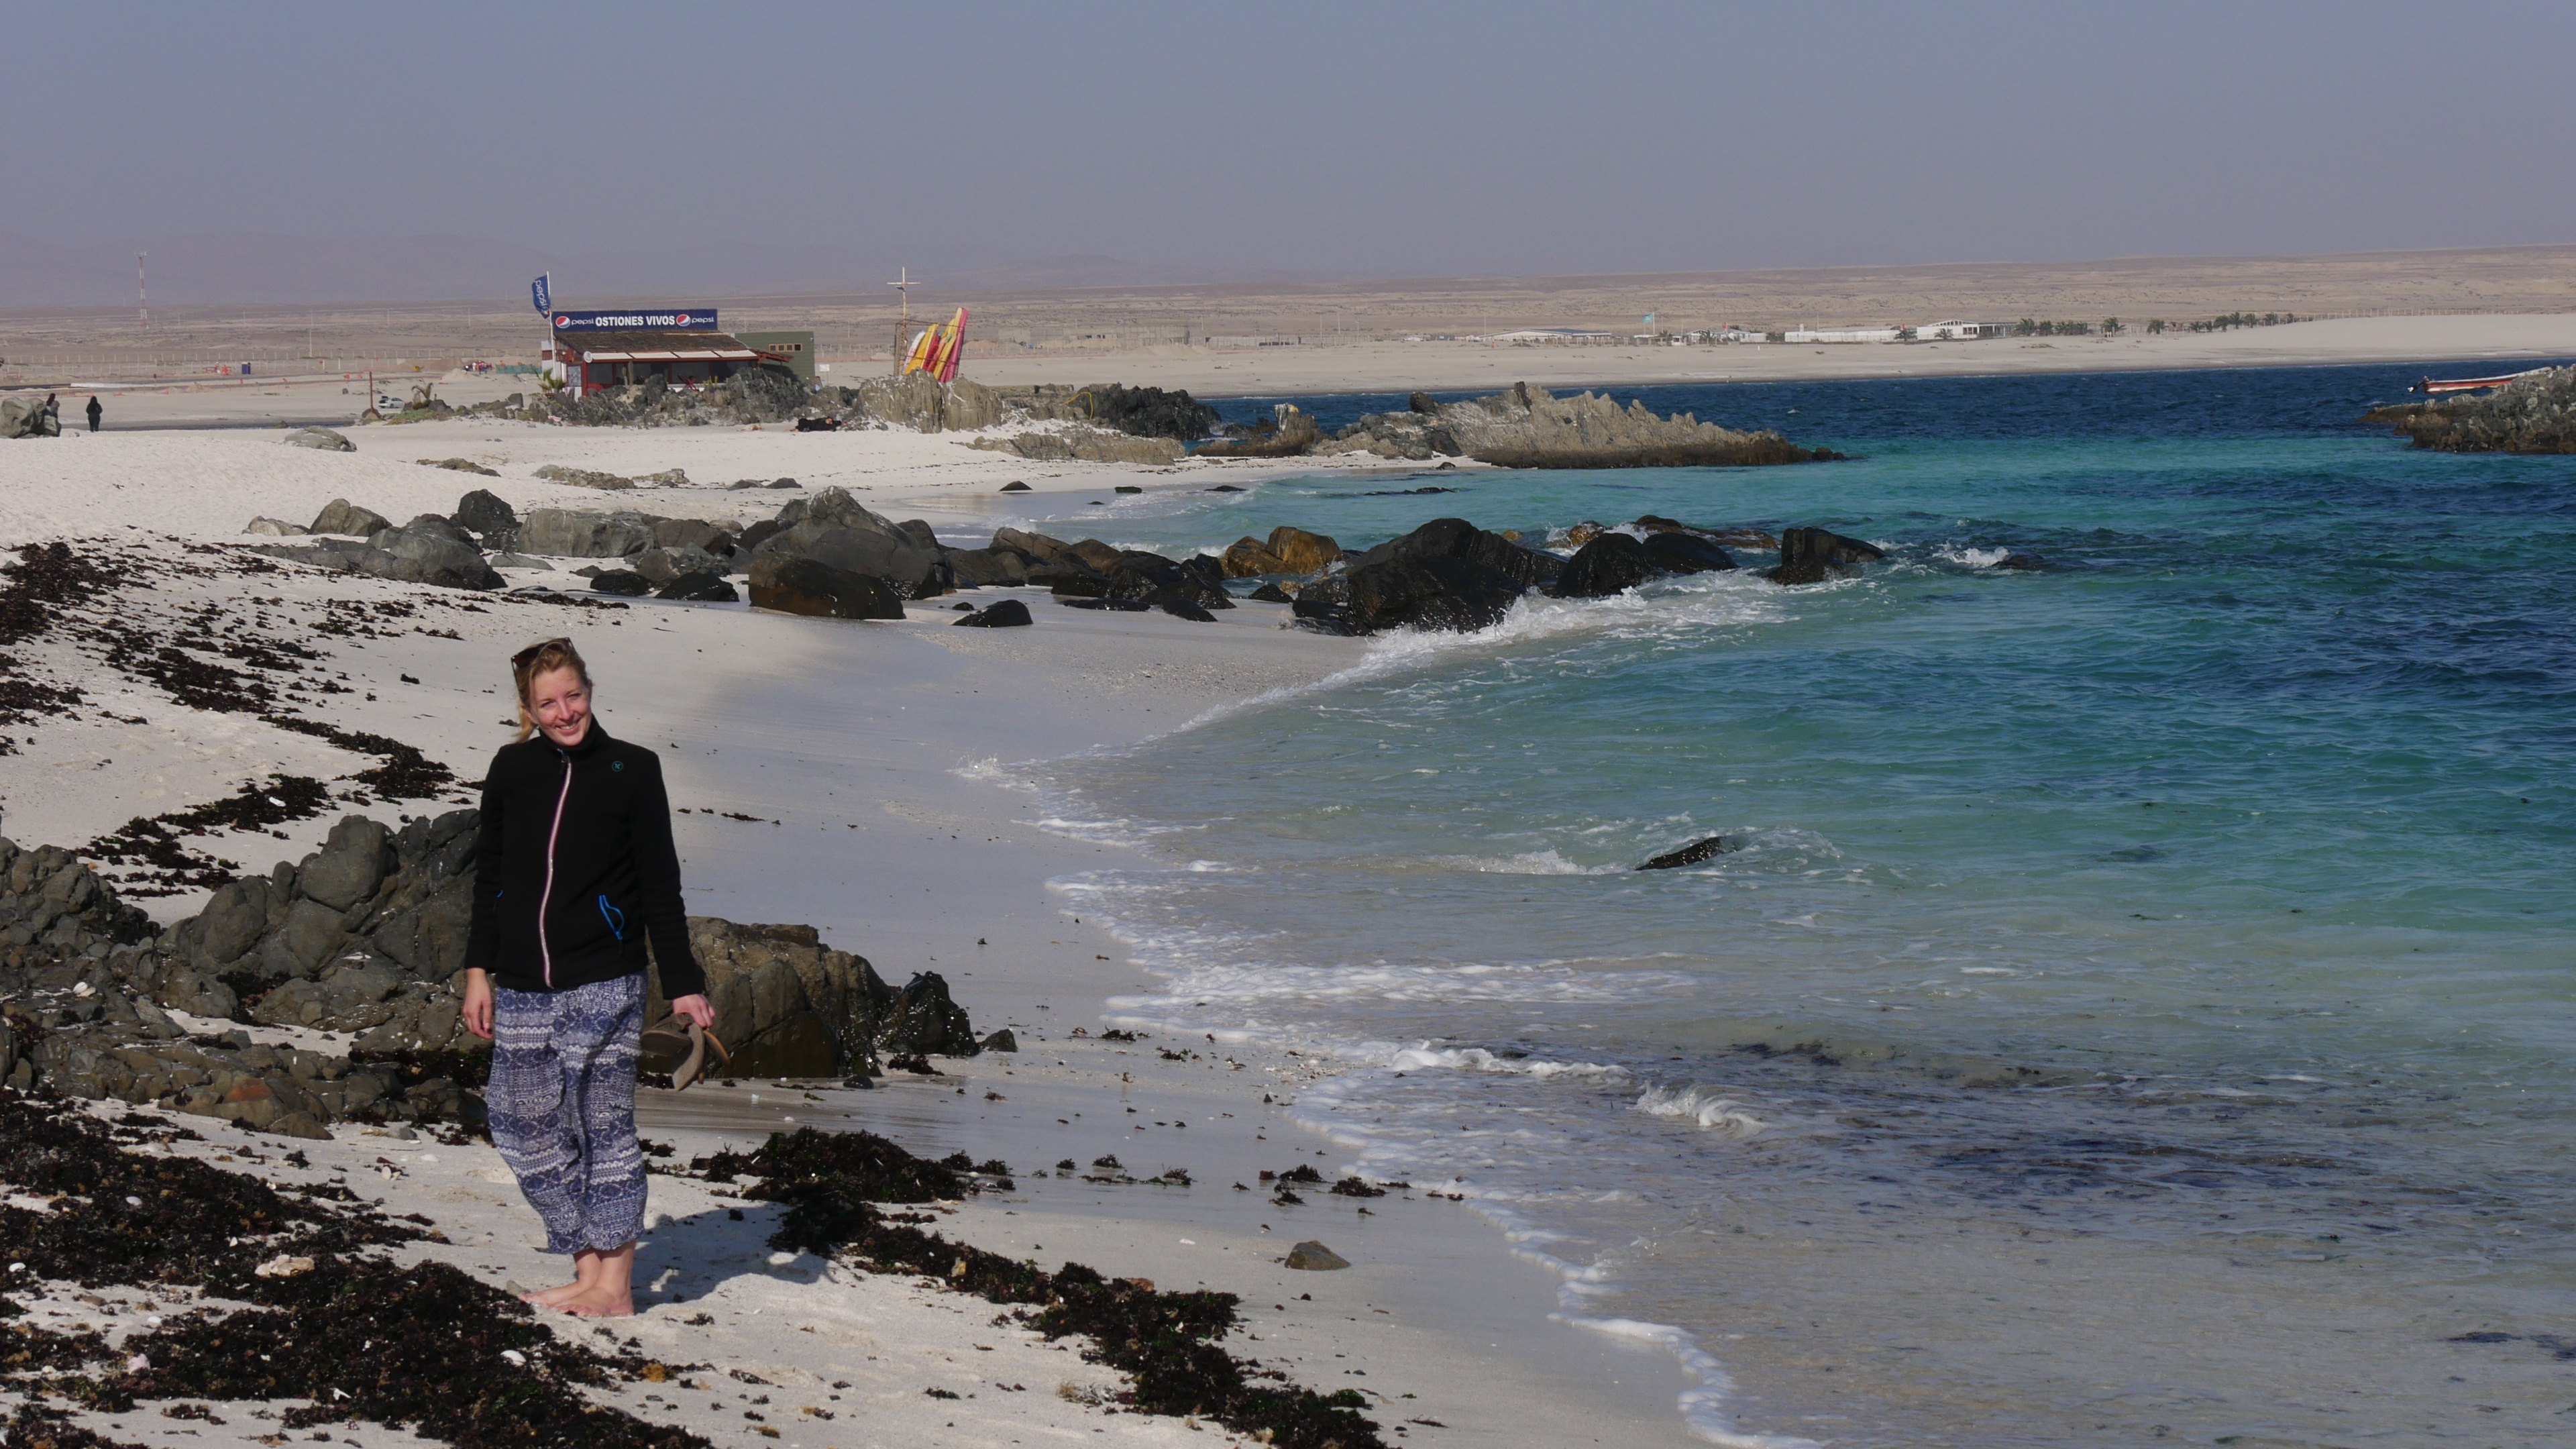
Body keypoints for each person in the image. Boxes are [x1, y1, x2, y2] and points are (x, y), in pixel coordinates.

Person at [462, 637, 715, 1317]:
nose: (565, 712)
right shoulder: (512, 769)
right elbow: (491, 877)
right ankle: (587, 1268)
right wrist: (478, 970)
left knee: (601, 1124)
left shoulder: (633, 769)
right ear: (529, 709)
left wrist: (684, 981)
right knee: (521, 1124)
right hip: (522, 983)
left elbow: (660, 885)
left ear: (589, 691)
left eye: (573, 695)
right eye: (548, 703)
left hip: (605, 977)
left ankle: (616, 1286)